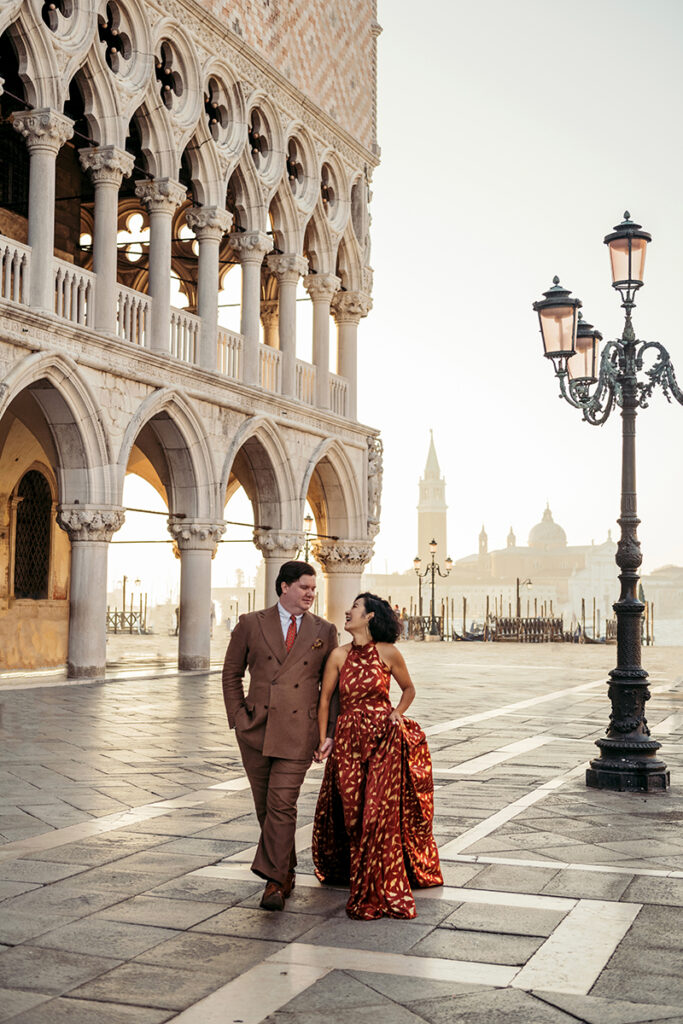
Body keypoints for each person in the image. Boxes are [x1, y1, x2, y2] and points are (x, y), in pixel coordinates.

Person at [312, 593, 442, 920]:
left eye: (354, 608)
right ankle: (359, 870)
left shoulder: (389, 653)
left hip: (384, 740)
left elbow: (408, 689)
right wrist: (324, 739)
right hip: (347, 741)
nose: (347, 611)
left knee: (377, 813)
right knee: (353, 812)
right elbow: (325, 701)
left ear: (369, 616)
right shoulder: (338, 656)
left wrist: (397, 712)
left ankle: (376, 879)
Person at [222, 560, 338, 912]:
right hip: (256, 729)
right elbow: (230, 674)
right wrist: (239, 717)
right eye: (304, 587)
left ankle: (273, 882)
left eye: (314, 589)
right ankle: (285, 870)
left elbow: (331, 690)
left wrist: (327, 733)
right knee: (265, 808)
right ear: (284, 587)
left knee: (282, 805)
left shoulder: (324, 630)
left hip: (299, 732)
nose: (310, 594)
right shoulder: (250, 624)